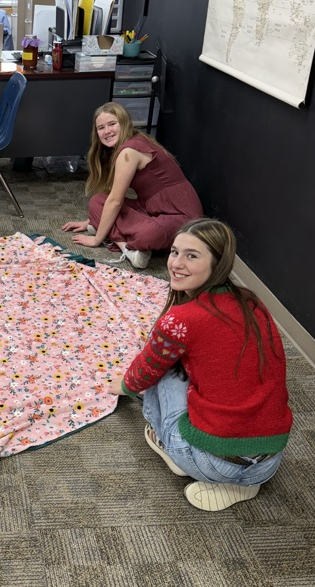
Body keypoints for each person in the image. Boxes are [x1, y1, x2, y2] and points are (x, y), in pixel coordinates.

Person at [108, 218, 293, 511]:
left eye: (191, 256)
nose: (176, 264)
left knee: (165, 371)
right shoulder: (251, 301)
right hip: (269, 461)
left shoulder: (180, 320)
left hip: (214, 464)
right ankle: (238, 479)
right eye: (174, 252)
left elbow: (144, 372)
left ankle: (176, 450)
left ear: (218, 263)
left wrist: (121, 385)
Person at [61, 102, 203, 269]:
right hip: (152, 210)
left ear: (124, 123)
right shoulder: (127, 144)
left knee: (148, 234)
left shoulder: (129, 151)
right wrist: (88, 221)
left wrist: (96, 239)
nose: (107, 131)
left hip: (182, 217)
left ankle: (120, 243)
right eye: (101, 127)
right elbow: (111, 197)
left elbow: (115, 201)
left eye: (112, 124)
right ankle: (125, 245)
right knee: (98, 200)